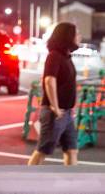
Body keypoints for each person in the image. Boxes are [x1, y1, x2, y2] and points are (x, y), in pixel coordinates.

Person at [28, 22, 81, 166]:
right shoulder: (55, 56)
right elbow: (49, 81)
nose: (79, 36)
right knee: (43, 150)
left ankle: (70, 183)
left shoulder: (67, 57)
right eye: (76, 34)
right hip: (55, 113)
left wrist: (70, 107)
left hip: (67, 112)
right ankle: (26, 181)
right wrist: (55, 107)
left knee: (71, 150)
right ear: (67, 36)